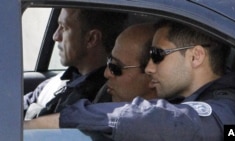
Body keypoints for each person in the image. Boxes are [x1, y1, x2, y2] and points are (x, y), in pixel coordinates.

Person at [25, 20, 235, 141]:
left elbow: (162, 121)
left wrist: (63, 119)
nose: (149, 68)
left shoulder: (228, 111)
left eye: (157, 55)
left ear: (196, 57)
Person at [23, 22, 158, 127]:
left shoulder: (157, 125)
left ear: (152, 75)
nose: (106, 73)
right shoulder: (57, 82)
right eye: (108, 62)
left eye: (115, 68)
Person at [23, 8, 127, 120]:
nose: (56, 36)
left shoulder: (99, 101)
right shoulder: (57, 82)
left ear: (91, 39)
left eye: (64, 27)